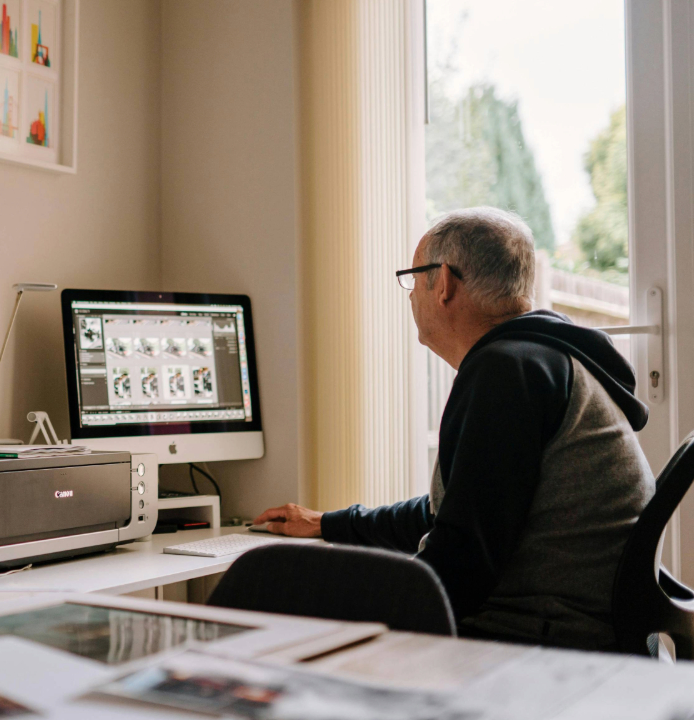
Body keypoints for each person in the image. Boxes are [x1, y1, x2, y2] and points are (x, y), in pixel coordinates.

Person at [256, 207, 654, 651]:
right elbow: (453, 514)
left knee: (277, 591)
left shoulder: (508, 372)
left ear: (443, 282)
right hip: (578, 630)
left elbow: (463, 563)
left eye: (412, 278)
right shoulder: (544, 360)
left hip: (543, 640)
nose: (409, 296)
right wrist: (328, 524)